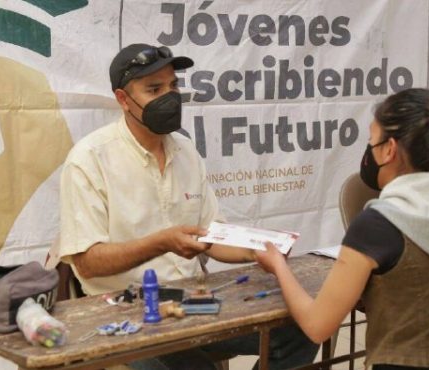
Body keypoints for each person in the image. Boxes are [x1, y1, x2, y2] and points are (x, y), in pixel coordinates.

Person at [56, 43, 318, 370]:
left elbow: (212, 237)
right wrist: (161, 242)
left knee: (305, 328)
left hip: (194, 304)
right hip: (129, 313)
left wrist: (258, 250)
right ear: (123, 100)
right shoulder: (90, 159)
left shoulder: (185, 151)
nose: (170, 97)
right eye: (155, 89)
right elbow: (88, 263)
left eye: (173, 85)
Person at [256, 86, 429, 370]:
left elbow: (317, 326)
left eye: (372, 141)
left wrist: (279, 267)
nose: (369, 150)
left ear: (389, 150)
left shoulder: (377, 227)